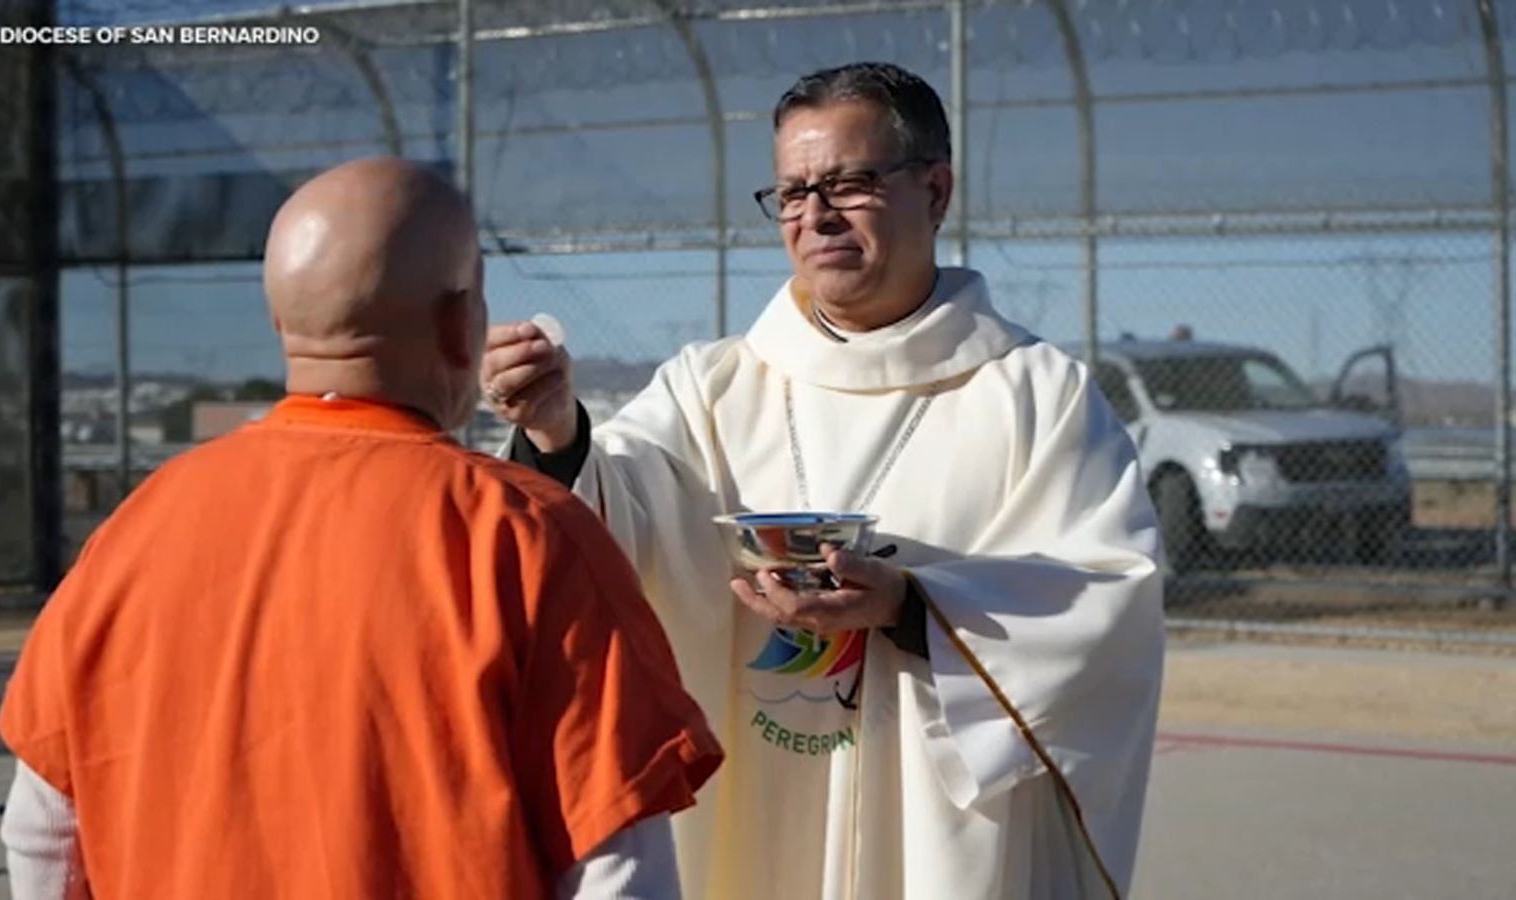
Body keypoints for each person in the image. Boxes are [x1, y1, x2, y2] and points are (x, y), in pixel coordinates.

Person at [481, 63, 1166, 899]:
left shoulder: (1035, 394)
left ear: (937, 189)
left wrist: (914, 606)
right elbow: (617, 522)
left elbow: (1108, 603)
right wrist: (555, 428)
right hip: (751, 805)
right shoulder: (712, 387)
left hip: (937, 828)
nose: (815, 215)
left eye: (850, 183)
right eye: (793, 192)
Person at [0, 157, 723, 900]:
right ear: (456, 322)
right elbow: (617, 873)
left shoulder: (132, 532)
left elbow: (44, 829)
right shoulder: (530, 538)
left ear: (282, 322)